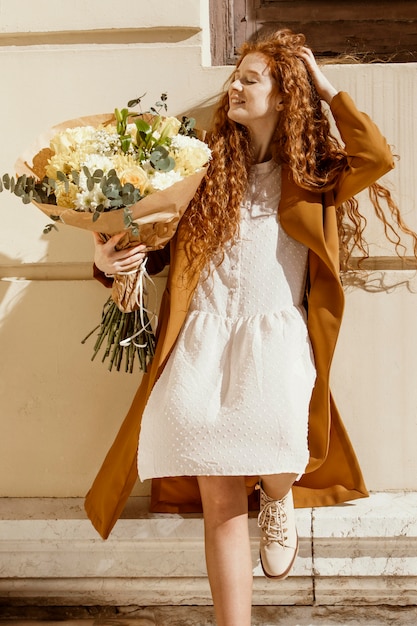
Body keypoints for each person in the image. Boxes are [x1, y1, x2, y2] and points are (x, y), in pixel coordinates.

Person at [86, 30, 417, 626]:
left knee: (280, 435)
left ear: (285, 97)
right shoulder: (200, 168)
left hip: (277, 340)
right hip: (201, 346)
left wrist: (324, 88)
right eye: (233, 75)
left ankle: (281, 493)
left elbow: (377, 157)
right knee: (220, 503)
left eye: (251, 78)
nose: (233, 84)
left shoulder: (315, 174)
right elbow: (150, 251)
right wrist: (109, 264)